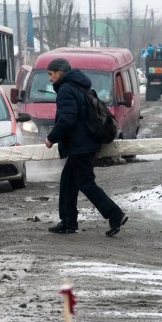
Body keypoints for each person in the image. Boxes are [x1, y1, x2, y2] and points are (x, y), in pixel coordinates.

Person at [44, 58, 128, 237]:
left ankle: (115, 214)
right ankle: (68, 222)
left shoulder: (66, 89)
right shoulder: (80, 86)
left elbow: (67, 119)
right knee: (68, 183)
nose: (50, 78)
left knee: (86, 183)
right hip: (84, 143)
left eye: (51, 74)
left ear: (60, 72)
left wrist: (51, 138)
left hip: (78, 145)